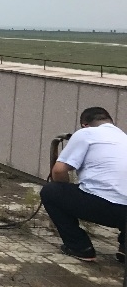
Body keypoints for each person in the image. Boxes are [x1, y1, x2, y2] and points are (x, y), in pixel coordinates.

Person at [41, 107, 127, 262]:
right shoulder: (124, 138)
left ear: (84, 125)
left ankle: (80, 247)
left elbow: (59, 171)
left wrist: (65, 190)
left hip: (101, 205)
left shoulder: (86, 134)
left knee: (51, 191)